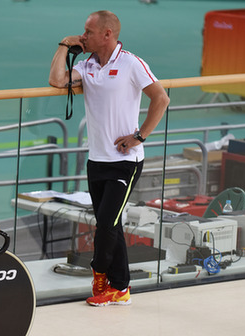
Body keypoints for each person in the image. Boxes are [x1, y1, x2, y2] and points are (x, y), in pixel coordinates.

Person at [49, 10, 170, 307]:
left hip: (126, 161)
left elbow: (161, 98)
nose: (83, 36)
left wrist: (139, 136)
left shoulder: (130, 63)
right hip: (97, 160)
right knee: (112, 224)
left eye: (88, 31)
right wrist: (64, 46)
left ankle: (99, 272)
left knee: (105, 223)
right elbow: (56, 80)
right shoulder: (85, 64)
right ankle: (121, 288)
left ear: (107, 34)